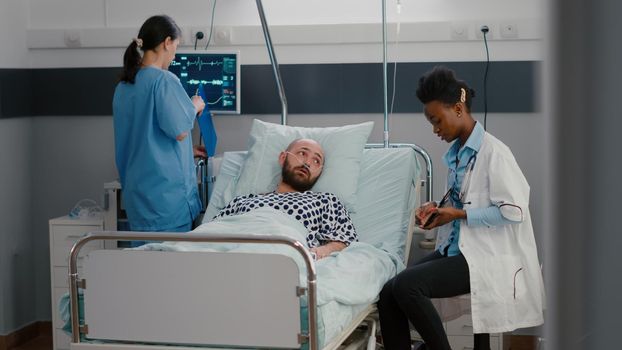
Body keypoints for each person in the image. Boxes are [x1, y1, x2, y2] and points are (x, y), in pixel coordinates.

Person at [378, 66, 544, 350]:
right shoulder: (458, 155)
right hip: (455, 251)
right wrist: (437, 211)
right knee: (389, 292)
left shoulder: (495, 153)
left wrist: (459, 214)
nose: (435, 129)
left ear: (457, 108)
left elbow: (513, 211)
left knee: (408, 287)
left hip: (484, 257)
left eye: (436, 120)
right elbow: (463, 198)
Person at [113, 15, 206, 233]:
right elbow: (181, 130)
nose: (175, 54)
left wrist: (185, 152)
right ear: (166, 42)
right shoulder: (163, 81)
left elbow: (144, 136)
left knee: (145, 265)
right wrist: (194, 105)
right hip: (165, 205)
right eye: (176, 46)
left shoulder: (124, 86)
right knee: (170, 265)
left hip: (139, 202)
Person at [214, 138, 357, 259]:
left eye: (316, 161)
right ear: (283, 158)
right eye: (302, 153)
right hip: (229, 252)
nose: (307, 163)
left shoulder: (325, 201)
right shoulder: (242, 201)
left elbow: (346, 241)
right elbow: (213, 232)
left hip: (280, 254)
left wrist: (318, 252)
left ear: (319, 172)